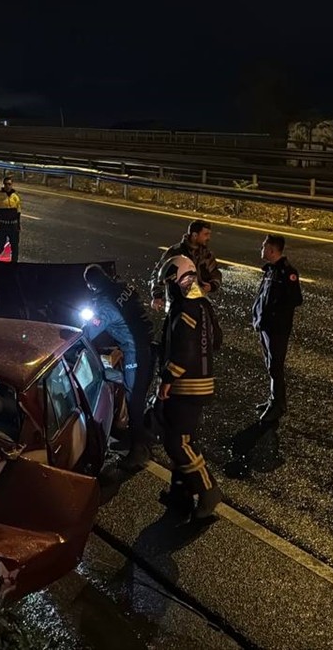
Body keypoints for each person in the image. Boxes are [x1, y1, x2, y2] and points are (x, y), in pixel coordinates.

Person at [155, 254, 223, 520]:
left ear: (177, 280)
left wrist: (167, 380)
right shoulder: (202, 304)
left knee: (177, 443)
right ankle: (180, 493)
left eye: (169, 282)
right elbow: (216, 340)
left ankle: (208, 490)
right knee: (180, 438)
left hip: (187, 386)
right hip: (201, 381)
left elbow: (183, 351)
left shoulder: (184, 308)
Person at [227, 234, 302, 474]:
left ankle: (277, 404)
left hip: (276, 329)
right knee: (270, 364)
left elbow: (294, 300)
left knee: (275, 366)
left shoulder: (286, 273)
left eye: (264, 246)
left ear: (272, 249)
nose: (261, 248)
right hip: (266, 327)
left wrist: (272, 317)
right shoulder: (270, 270)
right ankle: (274, 400)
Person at [81, 264, 156, 471]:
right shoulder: (123, 287)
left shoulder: (104, 305)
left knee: (134, 400)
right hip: (146, 345)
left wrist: (77, 331)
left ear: (91, 285)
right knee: (134, 394)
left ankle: (138, 450)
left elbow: (88, 333)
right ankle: (136, 438)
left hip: (136, 352)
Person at [150, 219, 222, 311]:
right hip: (176, 305)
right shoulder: (175, 252)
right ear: (195, 235)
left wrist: (211, 286)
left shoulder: (206, 254)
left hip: (197, 303)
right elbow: (157, 274)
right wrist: (157, 296)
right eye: (206, 234)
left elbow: (215, 273)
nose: (209, 238)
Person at [0, 175, 22, 262]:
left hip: (13, 226)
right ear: (3, 184)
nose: (8, 186)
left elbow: (18, 212)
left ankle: (13, 266)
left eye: (9, 184)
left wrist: (18, 225)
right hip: (2, 226)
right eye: (6, 184)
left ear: (12, 185)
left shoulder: (15, 196)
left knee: (15, 247)